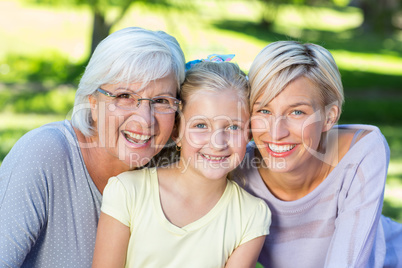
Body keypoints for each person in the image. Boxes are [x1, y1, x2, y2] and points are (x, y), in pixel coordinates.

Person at [0, 27, 185, 268]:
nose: (145, 119)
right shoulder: (44, 153)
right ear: (93, 102)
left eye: (161, 101)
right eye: (124, 96)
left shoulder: (171, 174)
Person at [234, 41, 402, 267]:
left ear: (329, 117)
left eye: (296, 112)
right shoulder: (235, 168)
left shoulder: (361, 152)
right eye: (264, 111)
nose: (276, 132)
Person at [92, 57, 272, 268]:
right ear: (177, 132)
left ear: (249, 134)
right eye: (201, 125)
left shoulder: (251, 215)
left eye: (233, 127)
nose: (217, 143)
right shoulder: (128, 192)